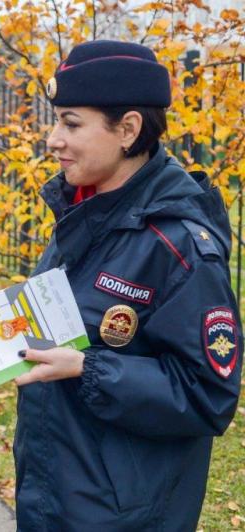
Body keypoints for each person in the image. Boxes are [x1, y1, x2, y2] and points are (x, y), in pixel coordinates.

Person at [13, 40, 242, 531]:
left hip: (124, 518)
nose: (53, 139)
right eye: (56, 121)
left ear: (129, 129)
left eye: (71, 123)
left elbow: (208, 395)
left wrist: (87, 368)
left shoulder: (179, 244)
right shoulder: (82, 214)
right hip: (57, 497)